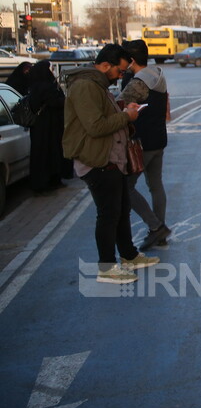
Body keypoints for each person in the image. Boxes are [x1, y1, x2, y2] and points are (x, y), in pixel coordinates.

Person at [62, 44, 159, 284]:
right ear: (105, 66)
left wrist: (125, 112)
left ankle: (128, 255)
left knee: (121, 209)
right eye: (119, 71)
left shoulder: (98, 85)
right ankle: (106, 267)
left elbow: (103, 118)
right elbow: (95, 127)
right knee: (108, 214)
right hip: (98, 159)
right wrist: (126, 116)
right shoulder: (85, 86)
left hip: (112, 158)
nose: (121, 76)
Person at [120, 39, 172, 251]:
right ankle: (159, 233)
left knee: (126, 188)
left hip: (142, 142)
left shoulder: (137, 83)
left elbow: (119, 106)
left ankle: (155, 226)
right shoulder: (157, 73)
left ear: (131, 60)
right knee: (156, 185)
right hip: (159, 138)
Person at [26, 60, 72, 193]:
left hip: (40, 128)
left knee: (42, 155)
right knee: (51, 154)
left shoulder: (34, 86)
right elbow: (55, 102)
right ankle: (48, 182)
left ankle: (46, 182)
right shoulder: (46, 87)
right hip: (49, 127)